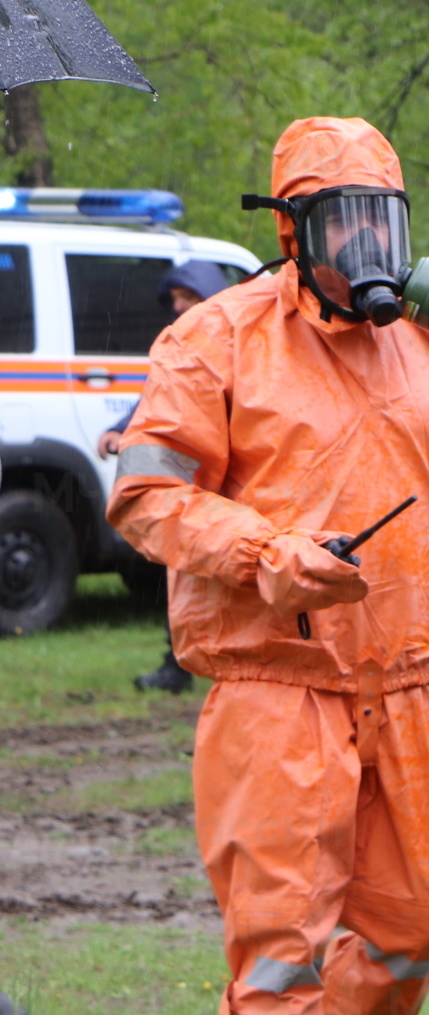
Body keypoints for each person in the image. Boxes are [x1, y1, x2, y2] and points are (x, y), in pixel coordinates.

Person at [107, 116, 429, 1015]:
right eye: (340, 226)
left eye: (383, 225)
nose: (367, 251)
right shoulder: (217, 340)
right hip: (278, 693)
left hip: (417, 695)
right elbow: (148, 498)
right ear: (292, 233)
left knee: (411, 935)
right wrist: (270, 553)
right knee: (279, 963)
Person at [96, 259, 235, 694]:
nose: (177, 306)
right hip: (190, 491)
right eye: (174, 298)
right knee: (183, 573)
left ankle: (229, 666)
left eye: (187, 297)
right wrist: (122, 429)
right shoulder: (180, 351)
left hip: (236, 495)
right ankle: (179, 664)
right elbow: (156, 404)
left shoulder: (244, 345)